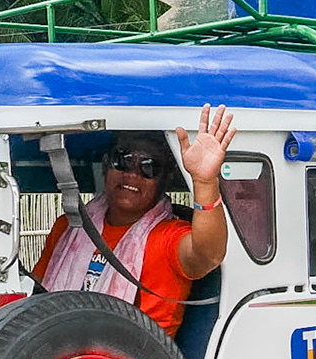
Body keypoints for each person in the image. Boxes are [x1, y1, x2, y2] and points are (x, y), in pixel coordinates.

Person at [36, 104, 237, 336]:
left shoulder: (166, 237)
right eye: (123, 160)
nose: (132, 173)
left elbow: (208, 255)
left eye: (148, 167)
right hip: (57, 356)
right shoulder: (69, 229)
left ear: (164, 179)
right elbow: (37, 297)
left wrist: (204, 183)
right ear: (106, 165)